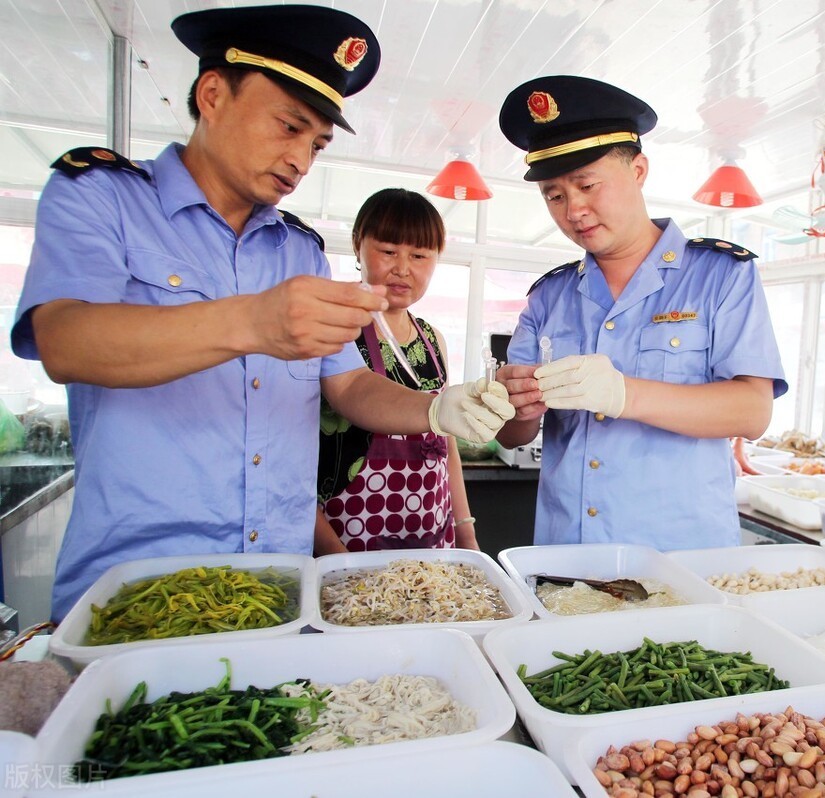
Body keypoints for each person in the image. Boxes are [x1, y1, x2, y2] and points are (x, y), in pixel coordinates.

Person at [9, 5, 513, 620]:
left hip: (278, 587)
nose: (302, 160)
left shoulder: (297, 250)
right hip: (139, 591)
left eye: (318, 144)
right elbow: (61, 339)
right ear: (214, 94)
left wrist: (435, 408)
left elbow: (349, 383)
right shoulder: (102, 195)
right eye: (288, 126)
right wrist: (251, 322)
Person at [494, 75, 787, 550]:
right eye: (554, 195)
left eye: (587, 184)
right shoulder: (549, 296)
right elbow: (512, 435)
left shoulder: (721, 276)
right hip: (567, 557)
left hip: (680, 562)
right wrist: (516, 406)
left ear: (638, 170)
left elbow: (753, 410)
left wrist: (623, 394)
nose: (574, 210)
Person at [315, 189, 478, 553]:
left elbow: (448, 445)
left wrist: (466, 533)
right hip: (350, 539)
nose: (403, 268)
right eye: (388, 251)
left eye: (419, 255)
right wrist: (333, 557)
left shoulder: (433, 340)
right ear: (358, 244)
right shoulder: (332, 329)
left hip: (433, 536)